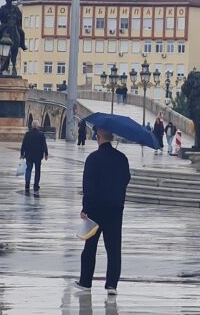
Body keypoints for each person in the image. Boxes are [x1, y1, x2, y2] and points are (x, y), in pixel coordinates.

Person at [75, 127, 131, 296]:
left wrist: (85, 208)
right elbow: (126, 179)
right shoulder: (122, 158)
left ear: (99, 138)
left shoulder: (93, 158)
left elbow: (88, 186)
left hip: (96, 209)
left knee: (90, 247)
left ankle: (86, 282)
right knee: (113, 248)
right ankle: (111, 284)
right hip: (115, 208)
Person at [20, 120, 48, 193]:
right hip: (38, 156)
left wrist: (22, 154)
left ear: (32, 126)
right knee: (37, 170)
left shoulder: (28, 134)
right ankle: (36, 185)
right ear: (38, 126)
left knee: (28, 169)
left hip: (29, 155)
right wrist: (46, 154)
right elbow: (44, 145)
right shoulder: (41, 134)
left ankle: (27, 184)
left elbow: (24, 144)